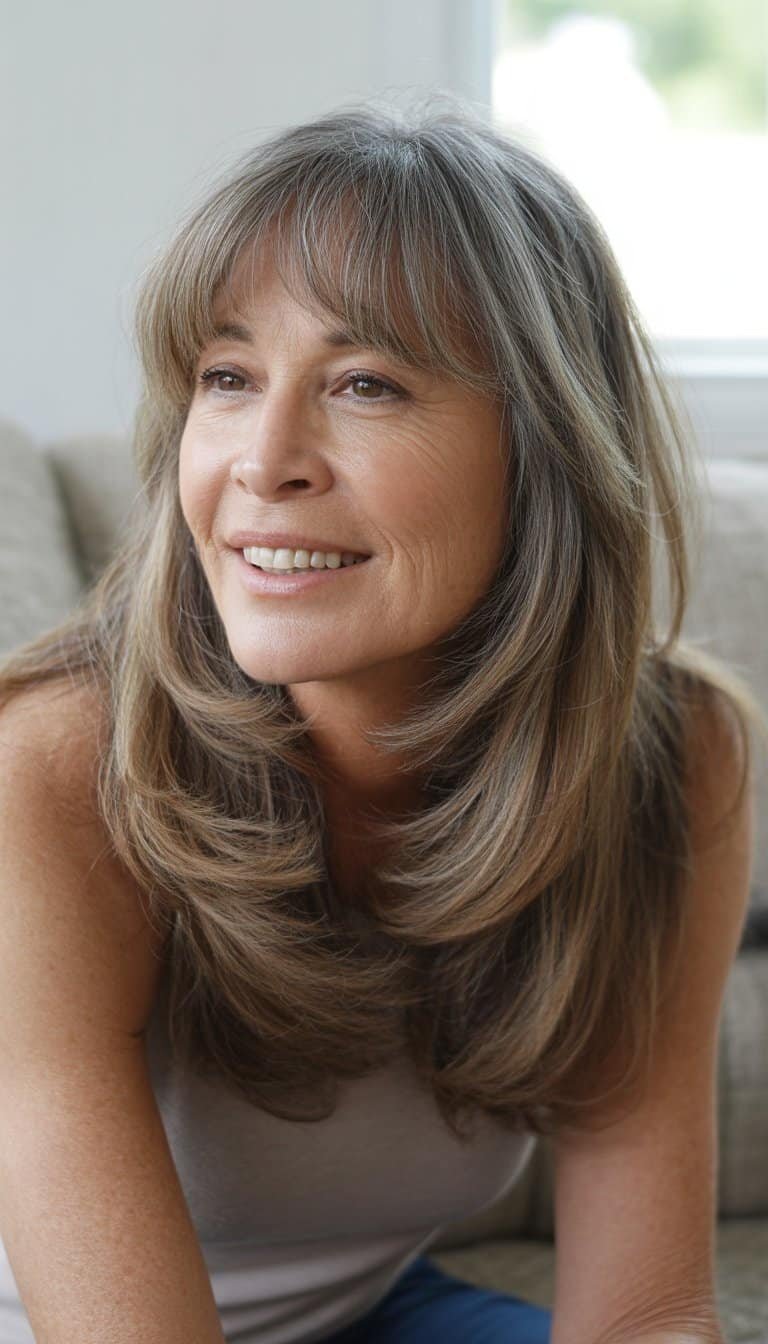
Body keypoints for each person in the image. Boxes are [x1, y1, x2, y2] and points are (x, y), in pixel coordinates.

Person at [0, 92, 765, 1344]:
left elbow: (646, 1314)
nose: (263, 459)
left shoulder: (673, 760)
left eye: (364, 382)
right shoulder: (52, 768)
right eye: (230, 376)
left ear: (545, 448)